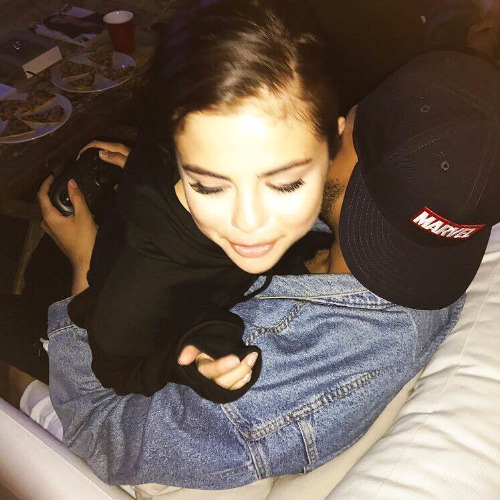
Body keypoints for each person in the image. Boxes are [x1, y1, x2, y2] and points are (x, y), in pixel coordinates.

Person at [29, 48, 497, 489]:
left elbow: (95, 429)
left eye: (348, 124)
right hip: (176, 294)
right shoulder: (436, 238)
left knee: (19, 306)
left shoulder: (280, 374)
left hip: (107, 365)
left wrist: (84, 268)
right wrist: (195, 186)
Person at [57, 0, 342, 404]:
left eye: (285, 184)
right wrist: (187, 362)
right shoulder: (139, 294)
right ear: (177, 156)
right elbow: (115, 371)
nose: (248, 222)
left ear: (335, 143)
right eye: (208, 186)